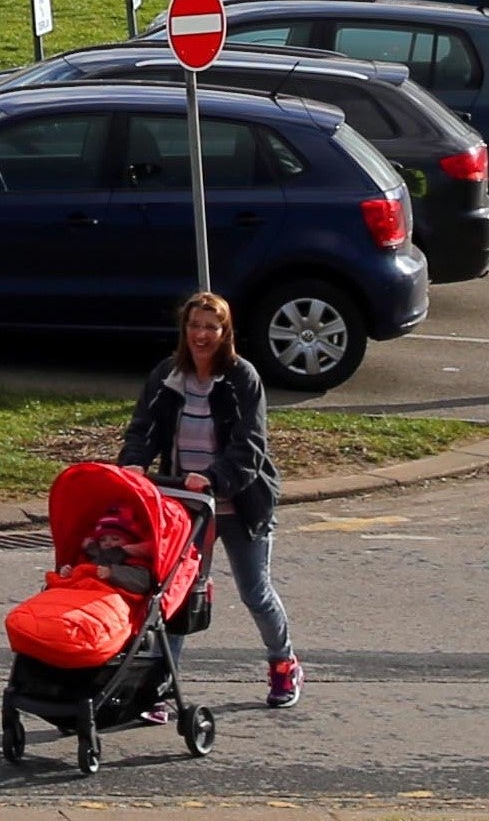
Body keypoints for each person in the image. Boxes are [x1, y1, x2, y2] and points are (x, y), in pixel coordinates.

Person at [119, 291, 301, 711]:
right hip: (186, 507)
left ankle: (283, 663)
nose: (202, 335)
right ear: (185, 330)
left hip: (238, 504)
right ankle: (162, 688)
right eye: (195, 326)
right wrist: (134, 463)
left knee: (255, 592)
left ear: (225, 332)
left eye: (211, 328)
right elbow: (143, 427)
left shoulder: (241, 377)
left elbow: (249, 446)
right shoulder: (168, 374)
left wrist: (216, 479)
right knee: (177, 594)